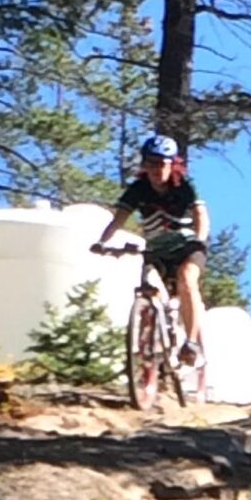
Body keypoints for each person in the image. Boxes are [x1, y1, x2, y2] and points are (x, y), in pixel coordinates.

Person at [93, 133, 210, 365]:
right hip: (157, 249)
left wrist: (200, 239)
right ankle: (152, 340)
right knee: (146, 288)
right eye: (151, 163)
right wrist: (103, 241)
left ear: (172, 164)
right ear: (144, 165)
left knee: (187, 280)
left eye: (162, 164)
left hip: (187, 246)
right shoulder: (138, 189)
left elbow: (200, 214)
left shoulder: (183, 186)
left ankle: (192, 342)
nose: (157, 170)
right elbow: (119, 219)